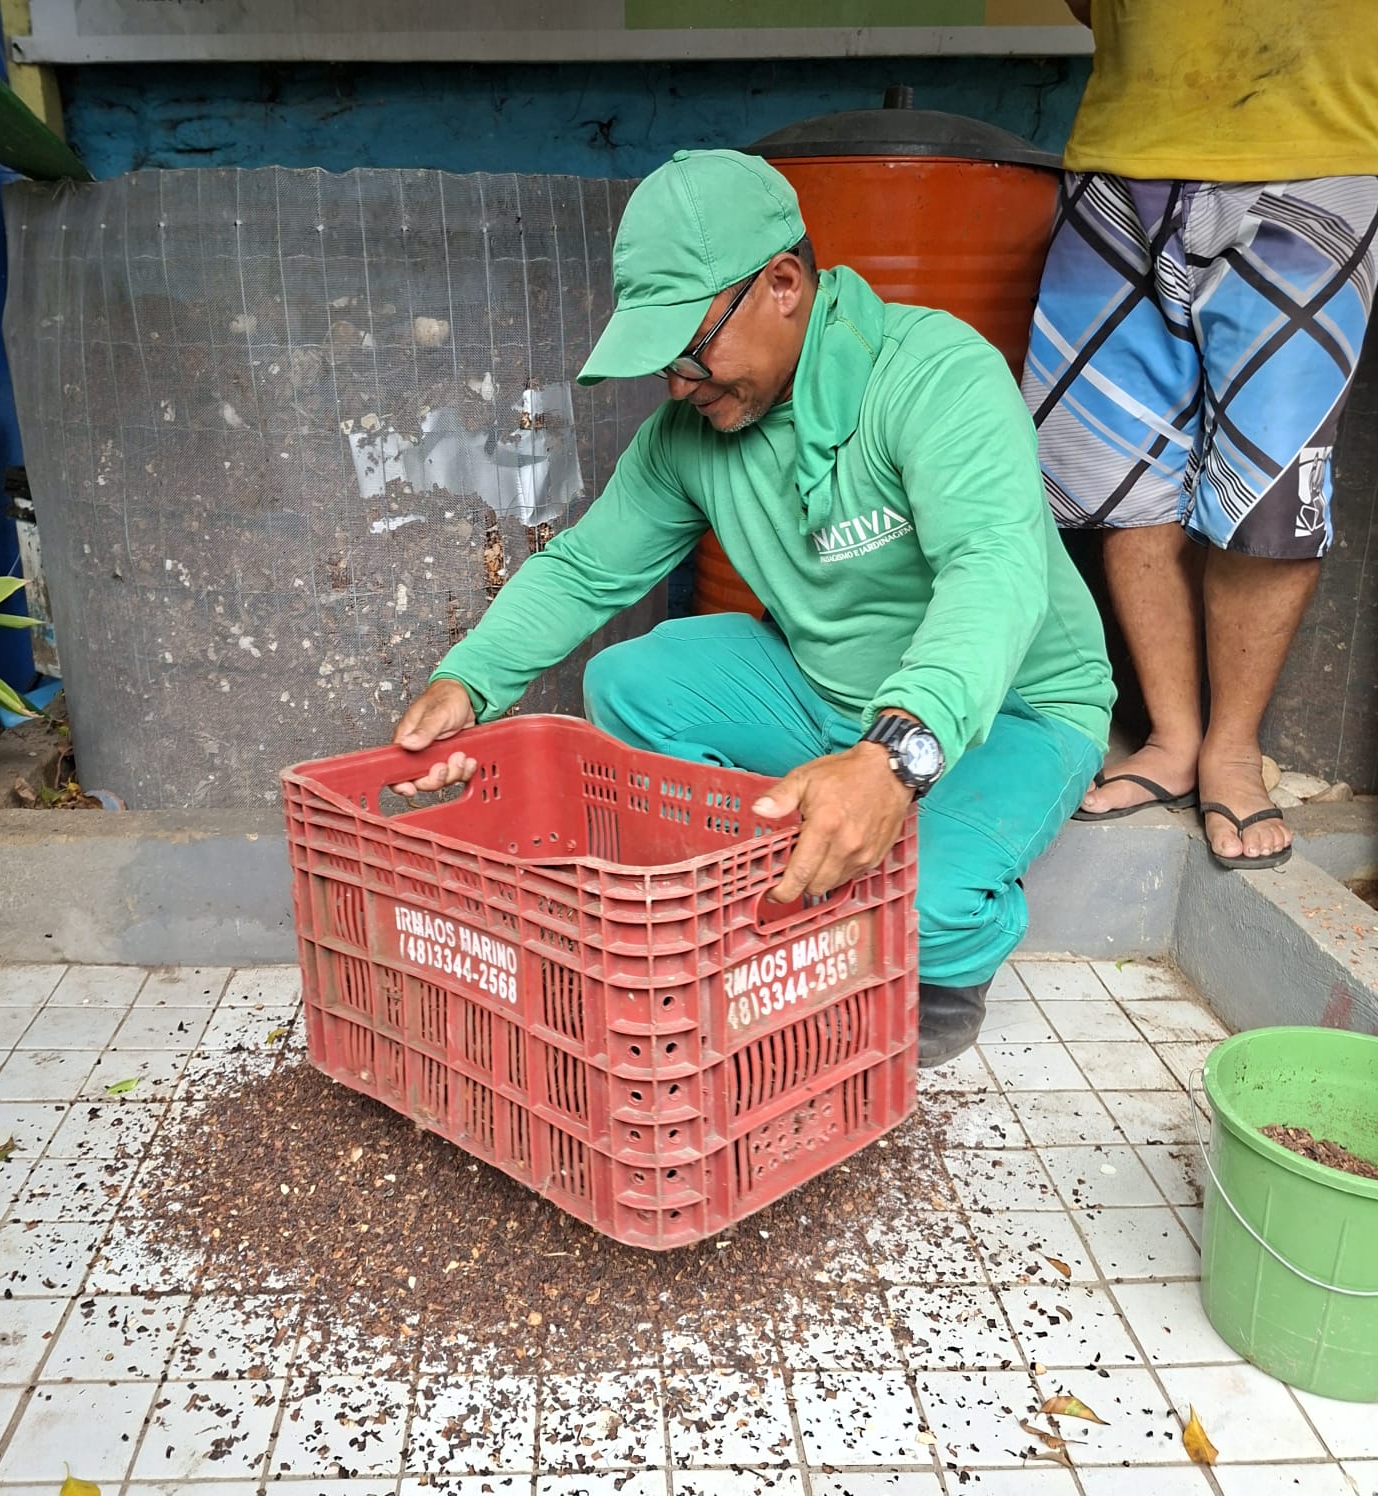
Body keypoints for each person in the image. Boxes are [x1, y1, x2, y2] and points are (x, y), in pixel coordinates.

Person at [389, 147, 1115, 1066]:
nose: (680, 384)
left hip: (1007, 707)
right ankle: (751, 870)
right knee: (631, 681)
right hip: (824, 690)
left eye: (692, 349)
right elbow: (582, 569)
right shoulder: (688, 434)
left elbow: (993, 572)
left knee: (918, 904)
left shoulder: (934, 376)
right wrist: (467, 682)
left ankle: (949, 969)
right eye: (663, 363)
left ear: (782, 284)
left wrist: (894, 758)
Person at [1024, 0, 1378, 869]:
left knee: (1270, 482)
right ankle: (1176, 737)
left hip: (1315, 154)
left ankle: (1230, 748)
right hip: (1122, 154)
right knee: (1118, 467)